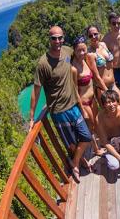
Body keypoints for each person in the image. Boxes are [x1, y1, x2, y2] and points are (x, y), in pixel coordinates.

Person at [30, 26, 91, 182]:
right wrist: (31, 117)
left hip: (73, 105)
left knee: (86, 137)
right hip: (58, 111)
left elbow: (80, 55)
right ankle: (80, 161)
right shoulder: (43, 64)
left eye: (60, 37)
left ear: (63, 38)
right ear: (49, 39)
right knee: (71, 144)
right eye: (54, 38)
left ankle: (75, 163)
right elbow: (36, 91)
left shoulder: (66, 51)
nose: (57, 41)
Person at [71, 36, 106, 156]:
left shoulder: (86, 59)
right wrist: (82, 109)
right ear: (74, 51)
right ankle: (96, 149)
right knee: (91, 126)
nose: (81, 53)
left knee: (96, 122)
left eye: (83, 49)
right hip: (84, 102)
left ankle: (101, 142)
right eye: (78, 50)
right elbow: (75, 91)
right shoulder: (73, 68)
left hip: (93, 99)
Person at [86, 25, 120, 107]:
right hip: (102, 89)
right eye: (90, 36)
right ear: (88, 38)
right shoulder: (90, 54)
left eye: (95, 34)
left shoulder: (103, 45)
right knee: (111, 116)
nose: (93, 37)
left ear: (99, 34)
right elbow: (96, 77)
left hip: (113, 85)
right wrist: (107, 92)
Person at [103, 12, 120, 98]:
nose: (117, 26)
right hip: (113, 71)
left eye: (119, 23)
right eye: (114, 23)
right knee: (116, 97)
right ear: (109, 24)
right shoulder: (105, 39)